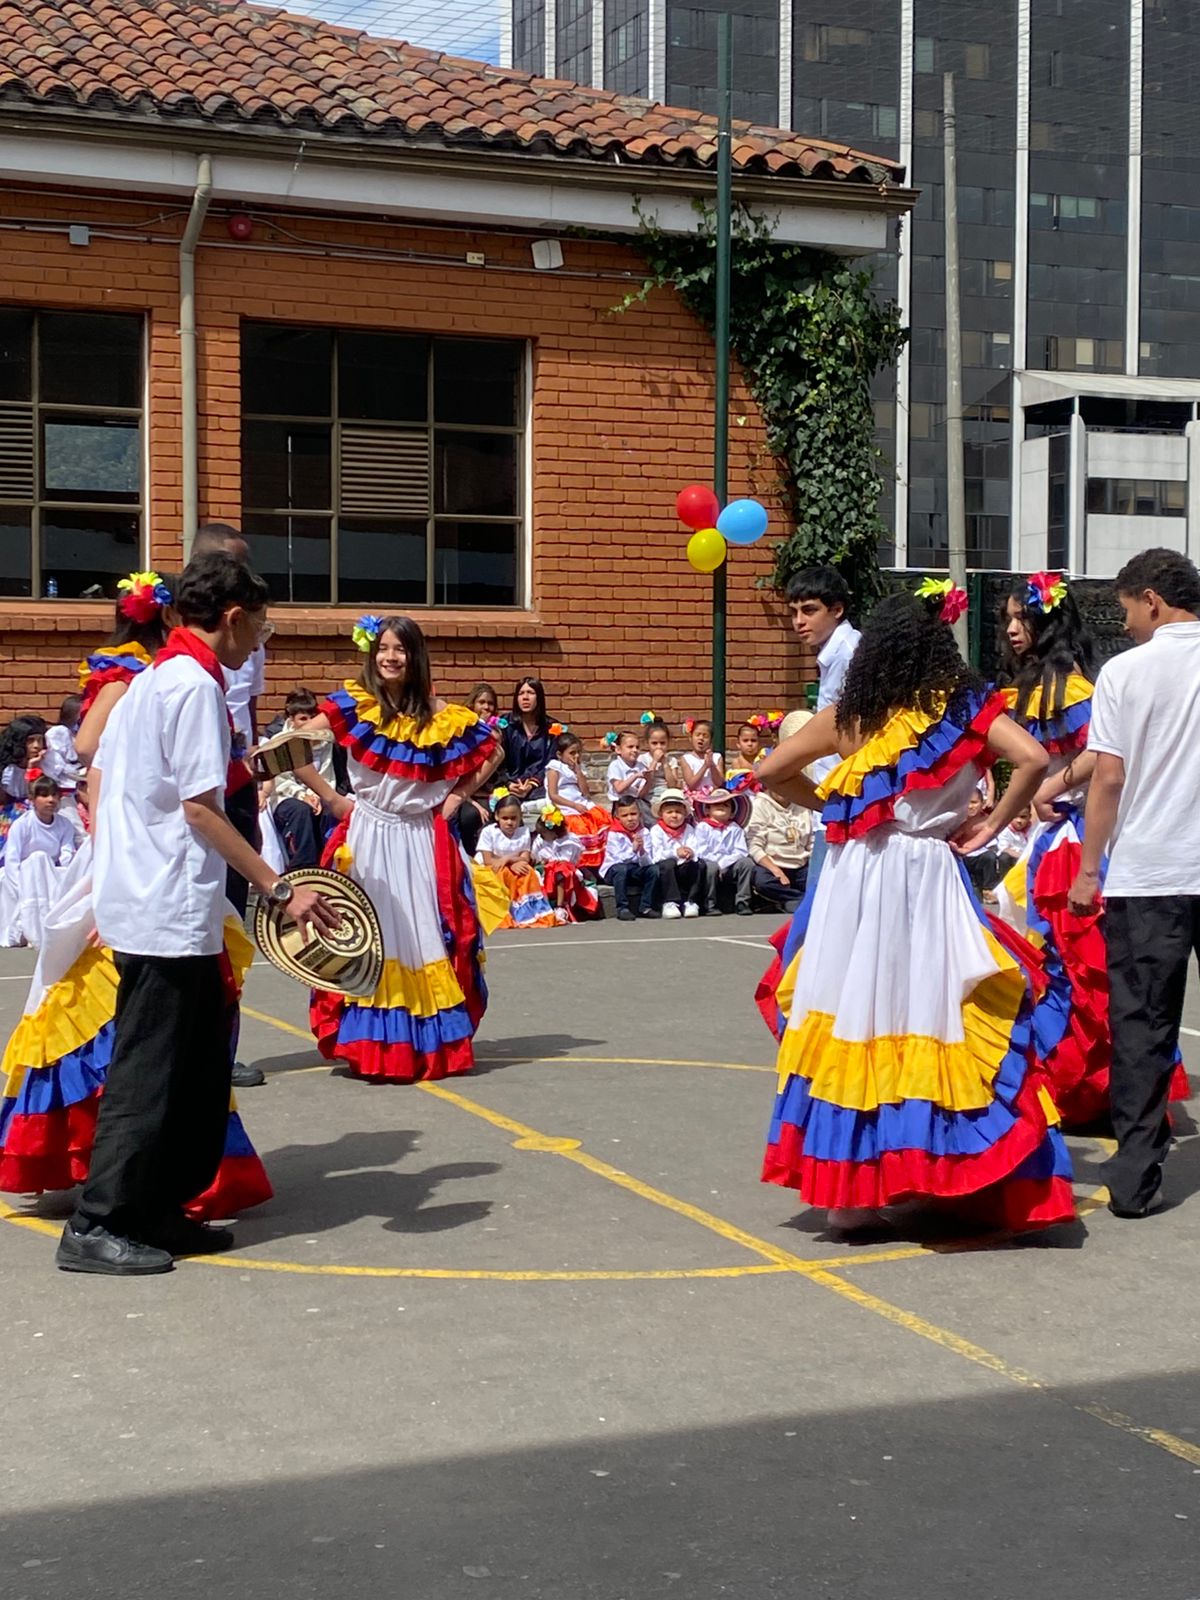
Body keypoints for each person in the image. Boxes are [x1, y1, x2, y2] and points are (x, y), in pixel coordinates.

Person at [755, 586, 1073, 1236]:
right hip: (922, 874)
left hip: (853, 880)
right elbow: (1035, 758)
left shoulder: (848, 714)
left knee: (856, 1011)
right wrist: (991, 828)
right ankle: (932, 1169)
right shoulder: (964, 708)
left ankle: (850, 1194)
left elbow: (770, 773)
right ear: (939, 647)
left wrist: (835, 808)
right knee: (927, 1006)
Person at [53, 552, 336, 1275]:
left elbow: (141, 780)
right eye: (261, 623)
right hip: (164, 905)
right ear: (235, 618)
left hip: (164, 900)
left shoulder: (158, 682)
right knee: (150, 1069)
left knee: (197, 1066)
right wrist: (280, 887)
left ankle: (159, 1206)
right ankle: (98, 1220)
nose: (262, 638)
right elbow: (201, 810)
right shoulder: (191, 689)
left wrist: (274, 761)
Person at [999, 569, 1188, 1130]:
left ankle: (1098, 1088)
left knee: (1086, 968)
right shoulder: (1038, 684)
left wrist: (1052, 786)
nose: (1011, 629)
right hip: (1052, 838)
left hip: (1081, 838)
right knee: (1059, 964)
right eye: (1007, 618)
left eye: (1021, 617)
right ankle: (1088, 1088)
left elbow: (1102, 755)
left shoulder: (1076, 687)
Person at [284, 615, 502, 1081]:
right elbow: (291, 749)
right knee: (370, 939)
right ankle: (372, 1047)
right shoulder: (355, 705)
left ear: (415, 656)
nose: (390, 656)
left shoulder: (442, 715)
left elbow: (493, 751)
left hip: (421, 838)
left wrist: (459, 796)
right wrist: (332, 798)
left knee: (424, 937)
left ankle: (424, 1048)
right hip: (368, 835)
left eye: (399, 649)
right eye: (383, 647)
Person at [1068, 548, 1200, 1218]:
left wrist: (1089, 869)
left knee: (1145, 1023)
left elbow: (1110, 777)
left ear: (1152, 598)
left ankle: (1137, 1175)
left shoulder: (1125, 673)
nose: (1126, 625)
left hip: (1153, 869)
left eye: (1127, 610)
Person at [787, 565, 862, 890]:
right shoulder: (835, 653)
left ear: (837, 609)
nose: (799, 621)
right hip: (833, 797)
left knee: (820, 909)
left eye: (809, 610)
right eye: (794, 612)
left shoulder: (847, 654)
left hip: (846, 798)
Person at [0, 773, 81, 947]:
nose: (51, 800)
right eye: (44, 795)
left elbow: (66, 855)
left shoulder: (65, 824)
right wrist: (20, 886)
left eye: (54, 795)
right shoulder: (22, 825)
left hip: (49, 873)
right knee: (38, 858)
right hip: (21, 874)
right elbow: (12, 860)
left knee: (43, 862)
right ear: (32, 799)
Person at [261, 688, 339, 870]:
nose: (309, 723)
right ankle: (303, 867)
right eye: (303, 718)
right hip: (286, 796)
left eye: (313, 717)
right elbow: (281, 781)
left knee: (329, 813)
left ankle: (327, 866)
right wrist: (302, 795)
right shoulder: (280, 741)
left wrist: (316, 794)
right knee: (300, 811)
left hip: (319, 794)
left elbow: (327, 774)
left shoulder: (325, 741)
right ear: (291, 719)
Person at [746, 711, 813, 912]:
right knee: (762, 880)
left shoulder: (801, 803)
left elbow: (811, 840)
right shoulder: (761, 804)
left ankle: (795, 900)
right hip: (774, 865)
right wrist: (776, 870)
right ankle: (797, 900)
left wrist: (810, 858)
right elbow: (755, 845)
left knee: (817, 876)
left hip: (800, 864)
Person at [477, 790, 556, 929]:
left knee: (528, 873)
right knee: (504, 874)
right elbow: (488, 860)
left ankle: (528, 912)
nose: (509, 822)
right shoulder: (489, 832)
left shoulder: (524, 832)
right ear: (497, 816)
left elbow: (525, 858)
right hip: (492, 867)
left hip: (513, 864)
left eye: (514, 818)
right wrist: (509, 862)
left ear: (520, 817)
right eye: (505, 818)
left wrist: (509, 860)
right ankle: (505, 911)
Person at [546, 731, 610, 868]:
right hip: (565, 804)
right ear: (559, 755)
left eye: (578, 753)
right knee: (578, 826)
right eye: (572, 753)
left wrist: (578, 772)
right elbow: (553, 794)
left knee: (599, 817)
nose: (576, 756)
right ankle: (582, 863)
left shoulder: (577, 769)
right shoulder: (554, 768)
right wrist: (574, 806)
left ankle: (599, 861)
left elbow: (585, 792)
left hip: (579, 800)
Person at [532, 803, 599, 924]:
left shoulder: (569, 841)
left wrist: (552, 862)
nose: (541, 836)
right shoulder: (540, 841)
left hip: (567, 870)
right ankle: (544, 907)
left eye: (544, 833)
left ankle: (560, 907)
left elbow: (567, 860)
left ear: (554, 833)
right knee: (545, 872)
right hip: (547, 870)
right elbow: (537, 856)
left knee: (560, 871)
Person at [693, 789, 753, 915]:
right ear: (707, 810)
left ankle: (742, 902)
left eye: (726, 805)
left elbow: (741, 851)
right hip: (710, 865)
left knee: (747, 862)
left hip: (730, 866)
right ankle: (710, 903)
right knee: (711, 867)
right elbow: (702, 851)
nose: (721, 806)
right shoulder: (702, 827)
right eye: (716, 804)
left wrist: (724, 864)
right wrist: (718, 864)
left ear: (732, 813)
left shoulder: (735, 828)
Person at [600, 795, 659, 921]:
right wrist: (633, 849)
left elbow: (647, 862)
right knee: (621, 869)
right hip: (614, 871)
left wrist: (642, 851)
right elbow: (618, 859)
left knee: (653, 870)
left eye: (633, 814)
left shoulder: (644, 833)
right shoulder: (614, 834)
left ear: (640, 814)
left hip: (633, 869)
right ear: (618, 817)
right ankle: (622, 908)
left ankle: (645, 906)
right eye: (625, 816)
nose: (630, 819)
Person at [646, 788, 702, 918]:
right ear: (661, 814)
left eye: (678, 812)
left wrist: (690, 852)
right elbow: (656, 855)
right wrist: (675, 853)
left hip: (684, 866)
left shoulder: (688, 829)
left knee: (699, 864)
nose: (674, 815)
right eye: (669, 812)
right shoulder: (656, 830)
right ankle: (670, 902)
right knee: (668, 863)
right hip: (665, 869)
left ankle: (691, 901)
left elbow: (695, 846)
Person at [501, 677, 557, 802]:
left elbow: (552, 762)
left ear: (539, 698)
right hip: (508, 785)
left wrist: (532, 784)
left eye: (530, 693)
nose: (525, 698)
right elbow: (497, 763)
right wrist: (508, 783)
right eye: (521, 693)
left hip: (539, 787)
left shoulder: (552, 728)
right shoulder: (505, 725)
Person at [604, 730, 652, 806]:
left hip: (635, 803)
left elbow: (640, 795)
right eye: (630, 747)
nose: (635, 750)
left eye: (637, 747)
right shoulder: (615, 766)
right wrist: (635, 776)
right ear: (618, 750)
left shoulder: (641, 766)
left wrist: (648, 780)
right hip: (619, 803)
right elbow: (619, 789)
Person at [678, 719, 724, 795]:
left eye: (705, 736)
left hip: (713, 795)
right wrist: (705, 766)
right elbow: (691, 785)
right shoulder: (686, 758)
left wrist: (712, 765)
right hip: (694, 797)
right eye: (697, 735)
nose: (701, 738)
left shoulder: (717, 757)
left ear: (711, 740)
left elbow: (719, 783)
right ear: (691, 738)